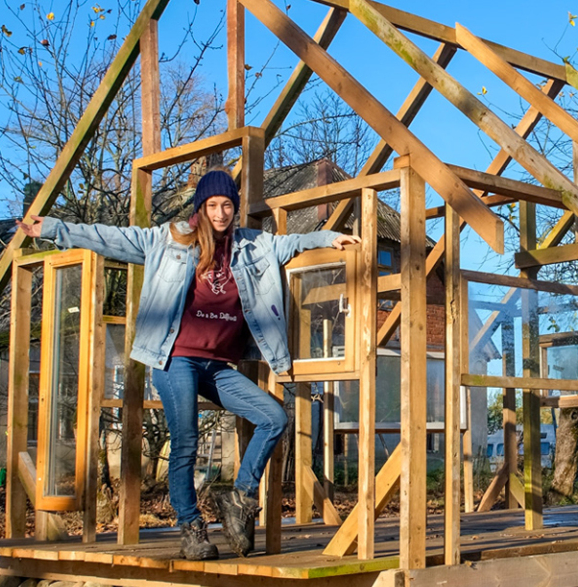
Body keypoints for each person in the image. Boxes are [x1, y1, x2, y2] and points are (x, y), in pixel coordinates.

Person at [21, 170, 359, 559]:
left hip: (216, 366)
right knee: (186, 440)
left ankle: (241, 498)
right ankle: (191, 527)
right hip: (173, 357)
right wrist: (54, 229)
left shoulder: (254, 246)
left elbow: (296, 242)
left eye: (227, 205)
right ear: (201, 207)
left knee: (273, 417)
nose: (221, 213)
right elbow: (109, 238)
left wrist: (331, 238)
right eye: (213, 206)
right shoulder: (168, 239)